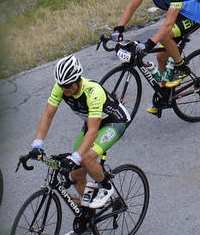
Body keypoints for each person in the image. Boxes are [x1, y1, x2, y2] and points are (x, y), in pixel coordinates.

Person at [21, 55, 126, 213]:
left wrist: (76, 157)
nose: (65, 89)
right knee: (76, 173)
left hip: (113, 122)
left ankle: (106, 186)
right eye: (62, 85)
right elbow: (48, 115)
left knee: (85, 158)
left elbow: (93, 130)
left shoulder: (93, 92)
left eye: (68, 85)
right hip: (91, 122)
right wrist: (37, 143)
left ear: (78, 80)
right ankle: (88, 214)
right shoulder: (61, 88)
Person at [112, 0, 200, 99]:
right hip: (179, 12)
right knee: (161, 57)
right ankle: (165, 94)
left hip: (194, 14)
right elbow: (132, 5)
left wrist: (150, 43)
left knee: (165, 36)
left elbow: (169, 23)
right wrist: (119, 28)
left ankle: (180, 66)